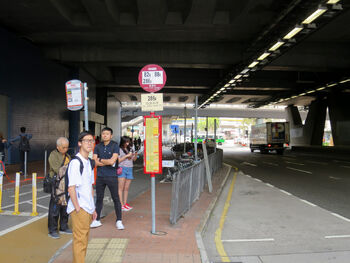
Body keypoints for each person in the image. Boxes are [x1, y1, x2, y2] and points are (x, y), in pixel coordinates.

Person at [90, 127, 131, 229]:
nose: (105, 135)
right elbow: (94, 161)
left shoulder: (114, 146)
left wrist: (101, 160)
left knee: (116, 198)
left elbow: (112, 161)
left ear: (111, 135)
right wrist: (105, 161)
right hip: (100, 176)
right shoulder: (97, 146)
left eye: (107, 134)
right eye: (103, 134)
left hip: (112, 176)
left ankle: (119, 221)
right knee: (99, 198)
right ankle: (97, 219)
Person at [67, 131, 97, 263]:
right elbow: (71, 187)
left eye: (92, 140)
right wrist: (78, 208)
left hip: (88, 207)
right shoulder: (76, 162)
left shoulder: (89, 162)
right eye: (86, 140)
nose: (90, 143)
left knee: (83, 240)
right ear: (80, 143)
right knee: (80, 241)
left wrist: (93, 208)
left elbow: (90, 186)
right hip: (80, 208)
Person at [47, 137, 72, 239]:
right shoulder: (53, 155)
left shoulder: (68, 156)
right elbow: (57, 169)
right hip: (57, 184)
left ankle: (63, 226)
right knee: (55, 207)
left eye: (67, 147)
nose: (65, 149)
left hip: (66, 184)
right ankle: (52, 230)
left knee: (65, 206)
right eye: (63, 147)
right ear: (58, 147)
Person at [118, 136, 138, 211]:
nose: (127, 143)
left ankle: (125, 203)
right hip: (122, 169)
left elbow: (134, 159)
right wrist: (126, 156)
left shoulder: (131, 149)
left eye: (128, 141)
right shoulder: (119, 149)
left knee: (126, 188)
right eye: (126, 142)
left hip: (130, 169)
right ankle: (121, 204)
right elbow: (118, 161)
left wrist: (135, 154)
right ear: (122, 142)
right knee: (121, 188)